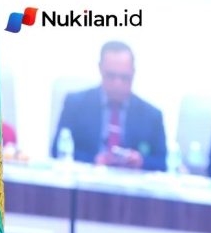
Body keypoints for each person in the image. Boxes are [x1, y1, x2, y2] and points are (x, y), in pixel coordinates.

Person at [50, 41, 167, 171]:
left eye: (124, 77)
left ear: (133, 73)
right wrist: (93, 160)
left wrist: (141, 161)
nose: (117, 84)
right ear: (100, 69)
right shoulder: (75, 104)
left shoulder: (152, 116)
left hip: (132, 180)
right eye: (111, 76)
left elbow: (164, 162)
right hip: (88, 178)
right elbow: (56, 151)